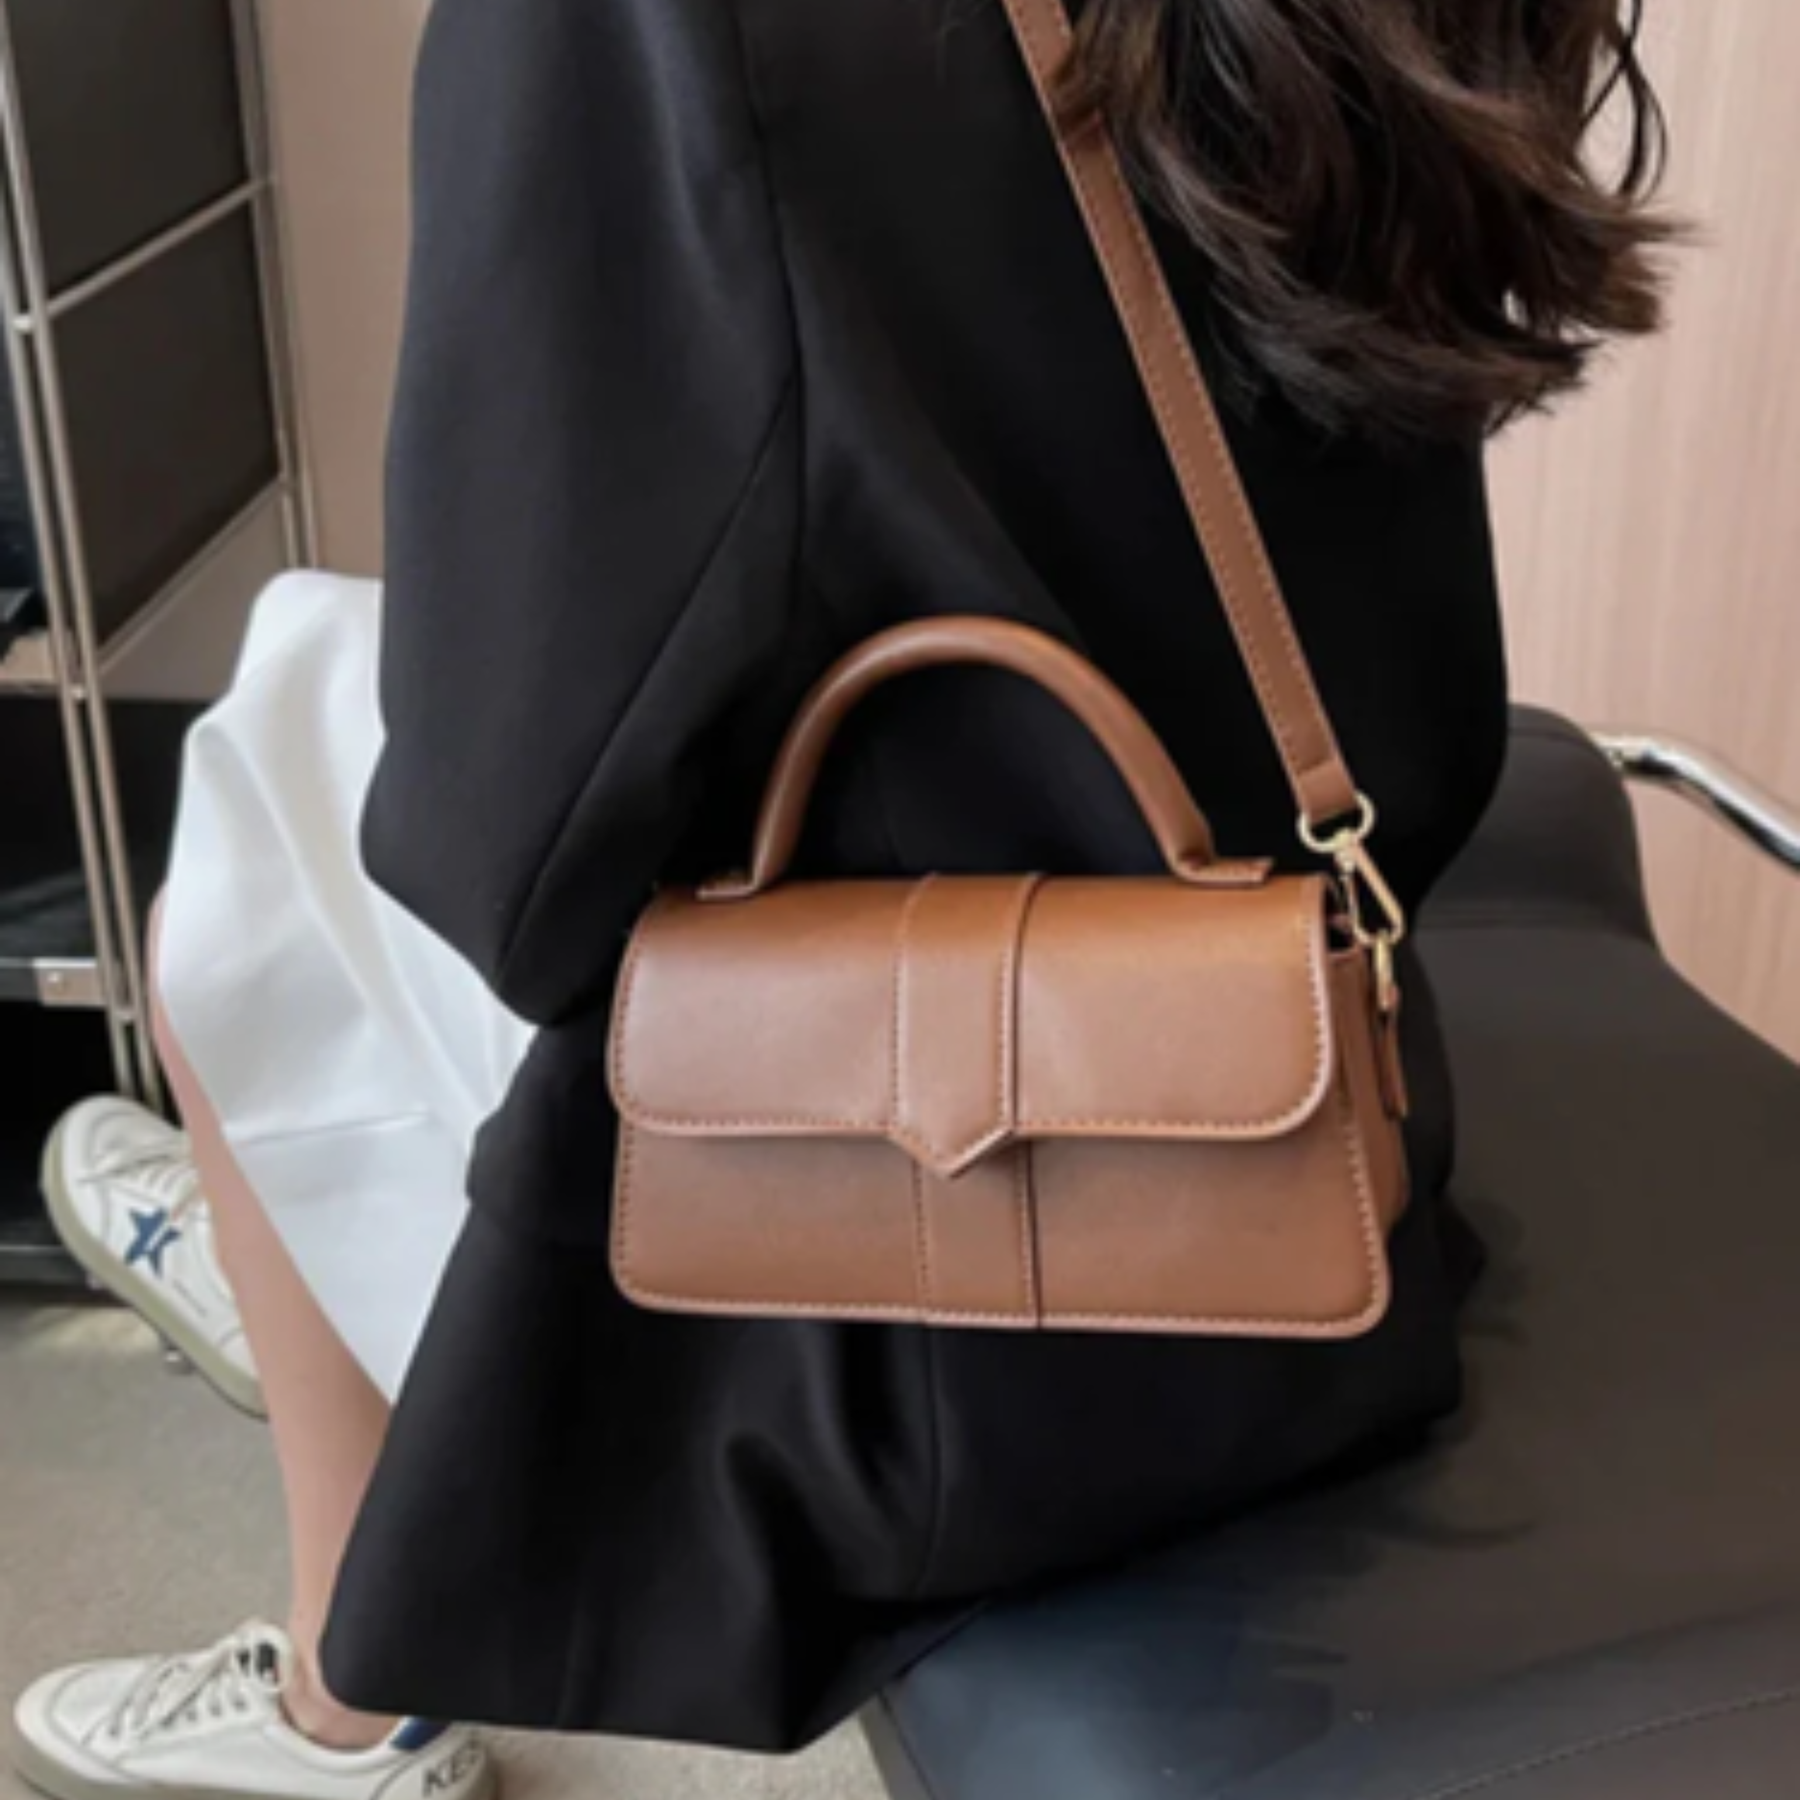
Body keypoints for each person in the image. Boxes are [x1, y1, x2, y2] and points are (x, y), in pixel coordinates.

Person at [12, 0, 1671, 1791]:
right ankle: (304, 1275)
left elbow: (506, 865)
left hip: (908, 1296)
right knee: (327, 720)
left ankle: (344, 1683)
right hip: (1333, 1151)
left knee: (263, 778)